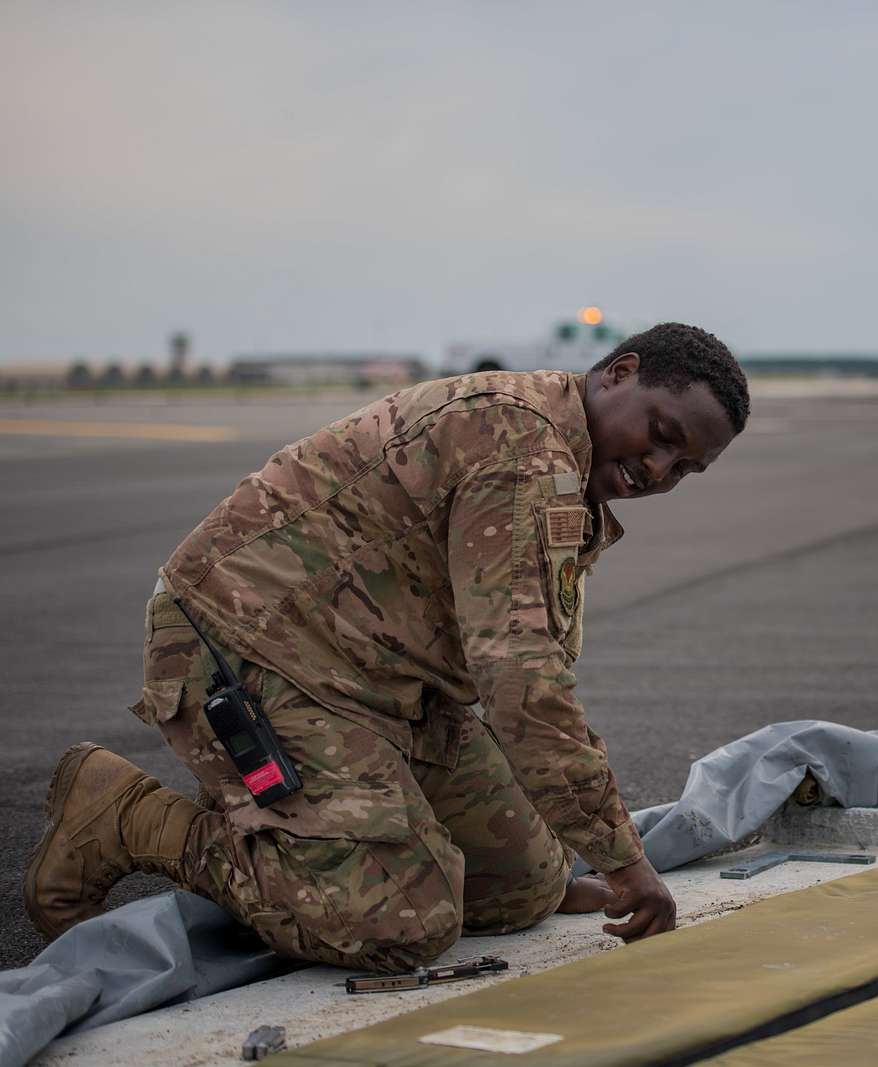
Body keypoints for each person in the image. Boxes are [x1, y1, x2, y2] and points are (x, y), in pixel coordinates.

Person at [24, 323, 749, 971]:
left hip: (383, 680)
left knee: (525, 883)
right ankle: (125, 814)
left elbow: (511, 668)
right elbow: (521, 682)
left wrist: (597, 846)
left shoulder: (563, 459)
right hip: (251, 652)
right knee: (399, 923)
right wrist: (628, 861)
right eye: (659, 432)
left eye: (684, 467)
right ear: (618, 373)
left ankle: (335, 839)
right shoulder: (521, 448)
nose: (658, 468)